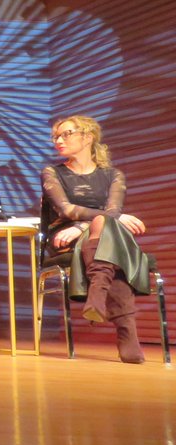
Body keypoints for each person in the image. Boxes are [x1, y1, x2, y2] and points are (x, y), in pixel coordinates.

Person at [42, 115, 150, 364]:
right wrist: (87, 225)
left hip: (99, 235)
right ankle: (125, 330)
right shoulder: (52, 173)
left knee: (106, 231)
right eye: (56, 136)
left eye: (66, 134)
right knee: (110, 236)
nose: (59, 140)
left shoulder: (113, 175)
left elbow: (113, 212)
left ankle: (98, 291)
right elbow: (66, 210)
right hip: (65, 237)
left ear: (88, 137)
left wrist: (87, 224)